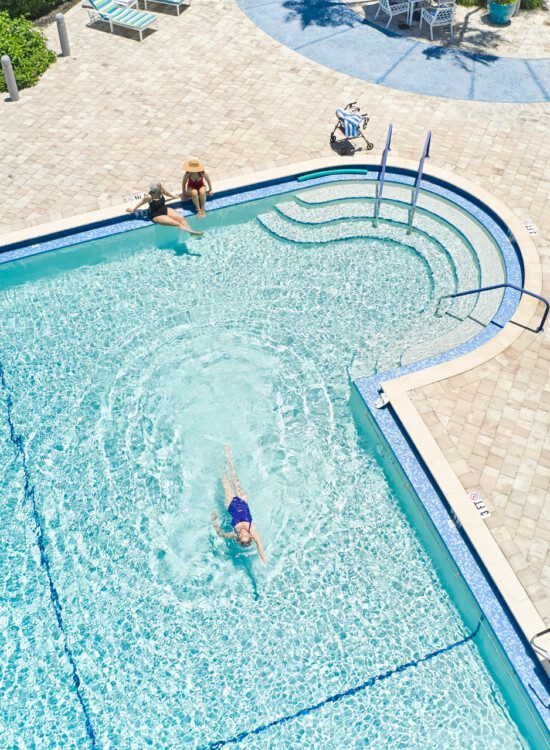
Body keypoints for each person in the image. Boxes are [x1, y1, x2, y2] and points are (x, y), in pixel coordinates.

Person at [211, 444, 266, 563]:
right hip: (243, 500)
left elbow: (220, 533)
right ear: (249, 536)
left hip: (230, 504)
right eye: (246, 535)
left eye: (242, 536)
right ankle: (228, 455)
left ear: (239, 538)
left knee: (225, 482)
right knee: (234, 476)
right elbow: (259, 544)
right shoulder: (253, 531)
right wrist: (263, 557)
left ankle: (216, 463)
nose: (243, 533)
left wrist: (214, 520)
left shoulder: (234, 535)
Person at [126, 182, 203, 235]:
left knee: (181, 218)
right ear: (155, 190)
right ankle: (192, 232)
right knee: (177, 223)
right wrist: (133, 210)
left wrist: (173, 197)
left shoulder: (160, 190)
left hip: (164, 209)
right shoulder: (149, 196)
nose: (161, 187)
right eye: (159, 186)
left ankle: (191, 232)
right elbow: (141, 203)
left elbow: (166, 193)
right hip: (156, 215)